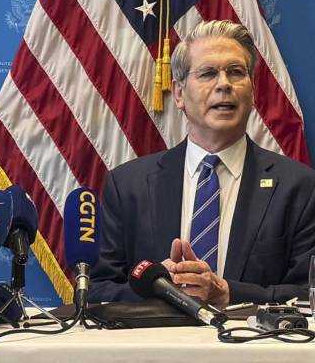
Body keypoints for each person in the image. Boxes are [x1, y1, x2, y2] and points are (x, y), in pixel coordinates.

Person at [89, 20, 315, 307]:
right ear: (179, 93)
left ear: (252, 91)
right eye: (208, 73)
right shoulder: (128, 186)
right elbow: (96, 292)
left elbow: (308, 293)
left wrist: (227, 292)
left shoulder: (299, 188)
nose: (224, 84)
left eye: (236, 72)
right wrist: (158, 289)